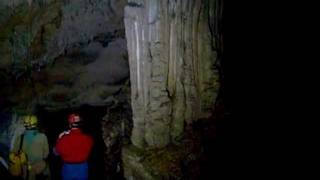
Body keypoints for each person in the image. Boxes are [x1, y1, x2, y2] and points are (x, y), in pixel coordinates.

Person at [54, 113, 93, 180]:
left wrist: (59, 138)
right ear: (80, 124)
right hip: (82, 168)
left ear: (70, 125)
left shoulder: (63, 139)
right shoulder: (88, 139)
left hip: (68, 169)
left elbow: (56, 152)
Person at [10, 115, 50, 180]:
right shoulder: (42, 137)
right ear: (35, 124)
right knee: (46, 169)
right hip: (38, 167)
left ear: (25, 125)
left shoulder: (20, 138)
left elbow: (14, 153)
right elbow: (46, 154)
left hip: (25, 169)